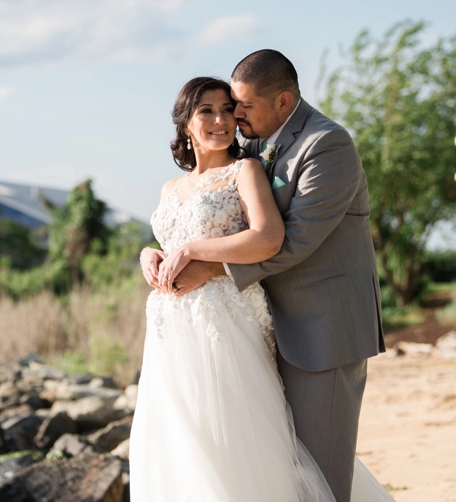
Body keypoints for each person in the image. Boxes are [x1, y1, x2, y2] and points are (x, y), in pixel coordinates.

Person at [130, 68, 390, 501]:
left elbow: (277, 238)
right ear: (185, 123)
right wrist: (149, 254)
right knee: (189, 446)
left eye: (233, 109)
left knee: (277, 454)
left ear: (282, 101)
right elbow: (169, 241)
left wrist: (200, 255)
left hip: (266, 321)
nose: (225, 119)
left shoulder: (273, 158)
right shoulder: (177, 182)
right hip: (174, 335)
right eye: (208, 111)